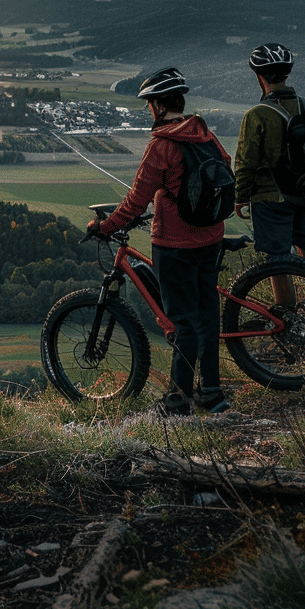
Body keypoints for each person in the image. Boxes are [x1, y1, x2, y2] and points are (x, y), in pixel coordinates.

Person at [88, 67, 232, 416]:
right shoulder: (205, 134)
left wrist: (105, 227)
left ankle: (178, 400)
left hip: (175, 244)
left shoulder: (162, 144)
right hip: (210, 237)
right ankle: (211, 393)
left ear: (158, 105)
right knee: (206, 316)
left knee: (182, 320)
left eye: (149, 104)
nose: (149, 110)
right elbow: (225, 169)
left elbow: (136, 200)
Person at [233, 42, 305, 332]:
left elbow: (245, 162)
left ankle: (288, 321)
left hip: (272, 198)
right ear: (287, 74)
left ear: (259, 76)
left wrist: (240, 198)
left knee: (278, 261)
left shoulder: (257, 114)